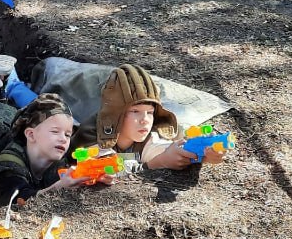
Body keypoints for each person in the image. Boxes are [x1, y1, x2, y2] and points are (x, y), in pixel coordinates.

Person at [68, 64, 227, 170]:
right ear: (115, 115)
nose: (145, 119)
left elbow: (159, 148)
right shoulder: (92, 134)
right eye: (135, 111)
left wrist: (203, 154)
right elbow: (101, 167)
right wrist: (157, 163)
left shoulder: (149, 133)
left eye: (150, 112)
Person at [0, 94, 87, 206]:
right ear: (31, 135)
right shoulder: (9, 163)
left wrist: (98, 178)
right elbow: (18, 199)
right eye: (55, 131)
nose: (63, 139)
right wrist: (59, 187)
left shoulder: (58, 165)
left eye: (67, 134)